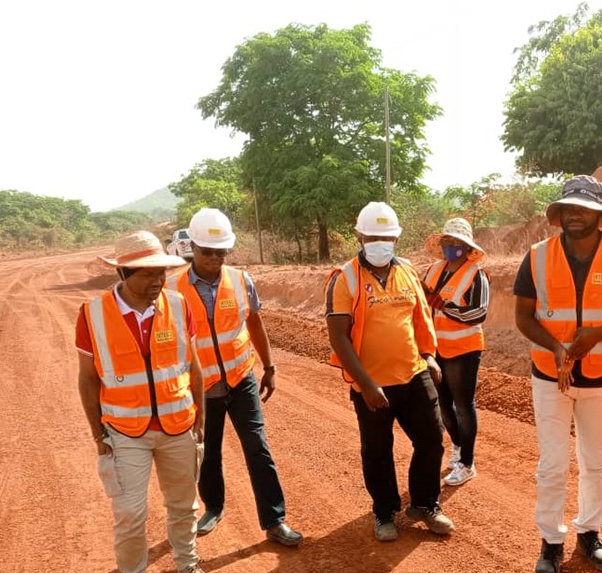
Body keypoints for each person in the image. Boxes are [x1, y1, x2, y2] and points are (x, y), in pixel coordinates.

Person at [76, 230, 218, 573]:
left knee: (184, 506)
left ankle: (187, 567)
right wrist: (98, 434)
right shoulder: (92, 315)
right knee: (130, 515)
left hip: (178, 425)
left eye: (162, 272)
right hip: (125, 432)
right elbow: (87, 379)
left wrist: (200, 418)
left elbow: (193, 366)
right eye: (148, 273)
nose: (158, 280)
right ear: (123, 272)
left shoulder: (178, 305)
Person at [514, 175, 602, 573]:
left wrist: (597, 335)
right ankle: (551, 541)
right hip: (549, 375)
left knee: (594, 461)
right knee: (553, 462)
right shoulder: (537, 256)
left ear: (599, 215)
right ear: (560, 213)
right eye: (569, 208)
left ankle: (589, 532)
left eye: (584, 209)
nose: (575, 215)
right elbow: (523, 316)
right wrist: (555, 347)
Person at [167, 208, 302, 547]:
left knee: (257, 447)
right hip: (201, 388)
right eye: (207, 251)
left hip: (241, 379)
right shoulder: (171, 289)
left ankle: (274, 520)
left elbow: (254, 321)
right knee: (208, 450)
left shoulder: (241, 280)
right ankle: (214, 507)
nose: (215, 258)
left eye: (221, 251)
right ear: (192, 247)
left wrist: (269, 367)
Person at [325, 201, 455, 541]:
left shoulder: (408, 271)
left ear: (396, 238)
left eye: (387, 237)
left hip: (414, 373)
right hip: (371, 383)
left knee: (432, 439)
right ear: (360, 237)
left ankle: (424, 504)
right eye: (373, 237)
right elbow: (338, 336)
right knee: (377, 451)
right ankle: (384, 512)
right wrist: (366, 384)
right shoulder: (345, 278)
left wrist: (429, 355)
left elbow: (420, 317)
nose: (380, 243)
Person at [422, 217, 491, 486]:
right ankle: (458, 446)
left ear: (466, 246)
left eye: (455, 241)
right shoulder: (433, 270)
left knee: (463, 405)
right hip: (436, 348)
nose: (450, 245)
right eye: (447, 241)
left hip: (464, 348)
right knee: (442, 405)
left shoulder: (476, 274)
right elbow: (422, 304)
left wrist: (443, 305)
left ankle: (467, 463)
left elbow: (478, 313)